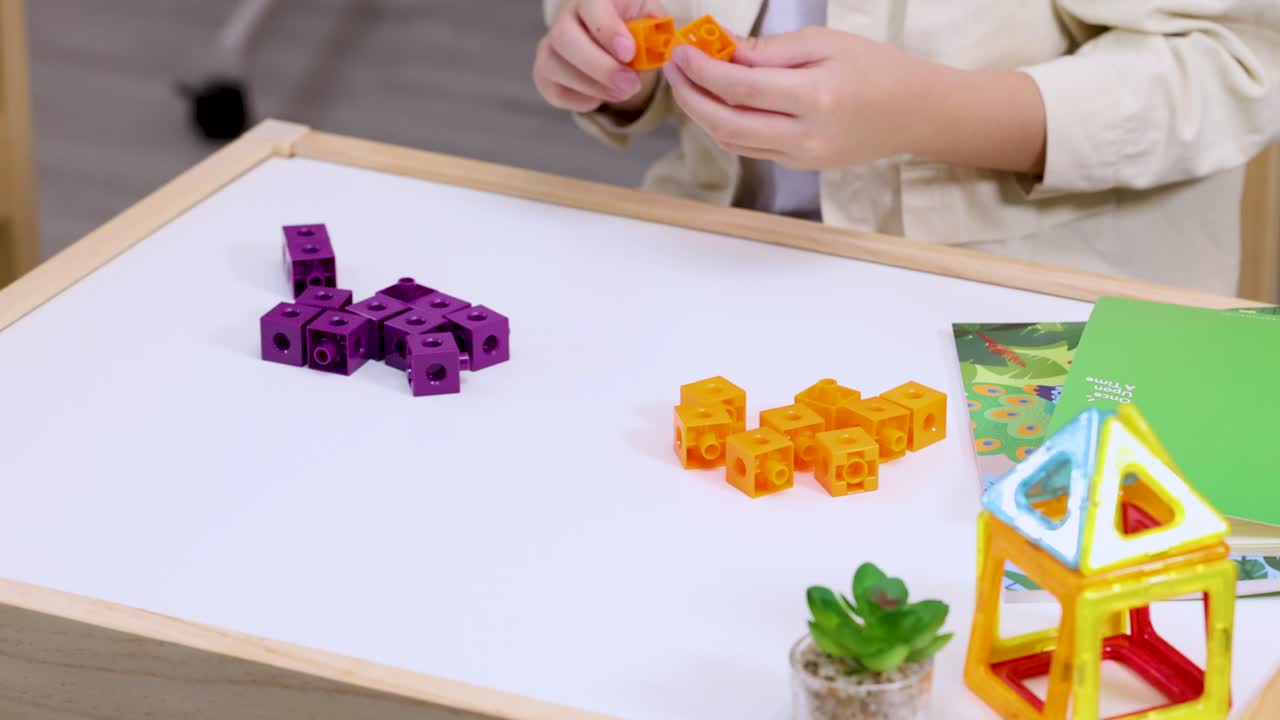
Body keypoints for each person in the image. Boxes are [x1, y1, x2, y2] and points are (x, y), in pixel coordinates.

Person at [533, 0, 1280, 296]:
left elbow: (1243, 63)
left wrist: (928, 112)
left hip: (1046, 291)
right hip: (723, 258)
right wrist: (613, 64)